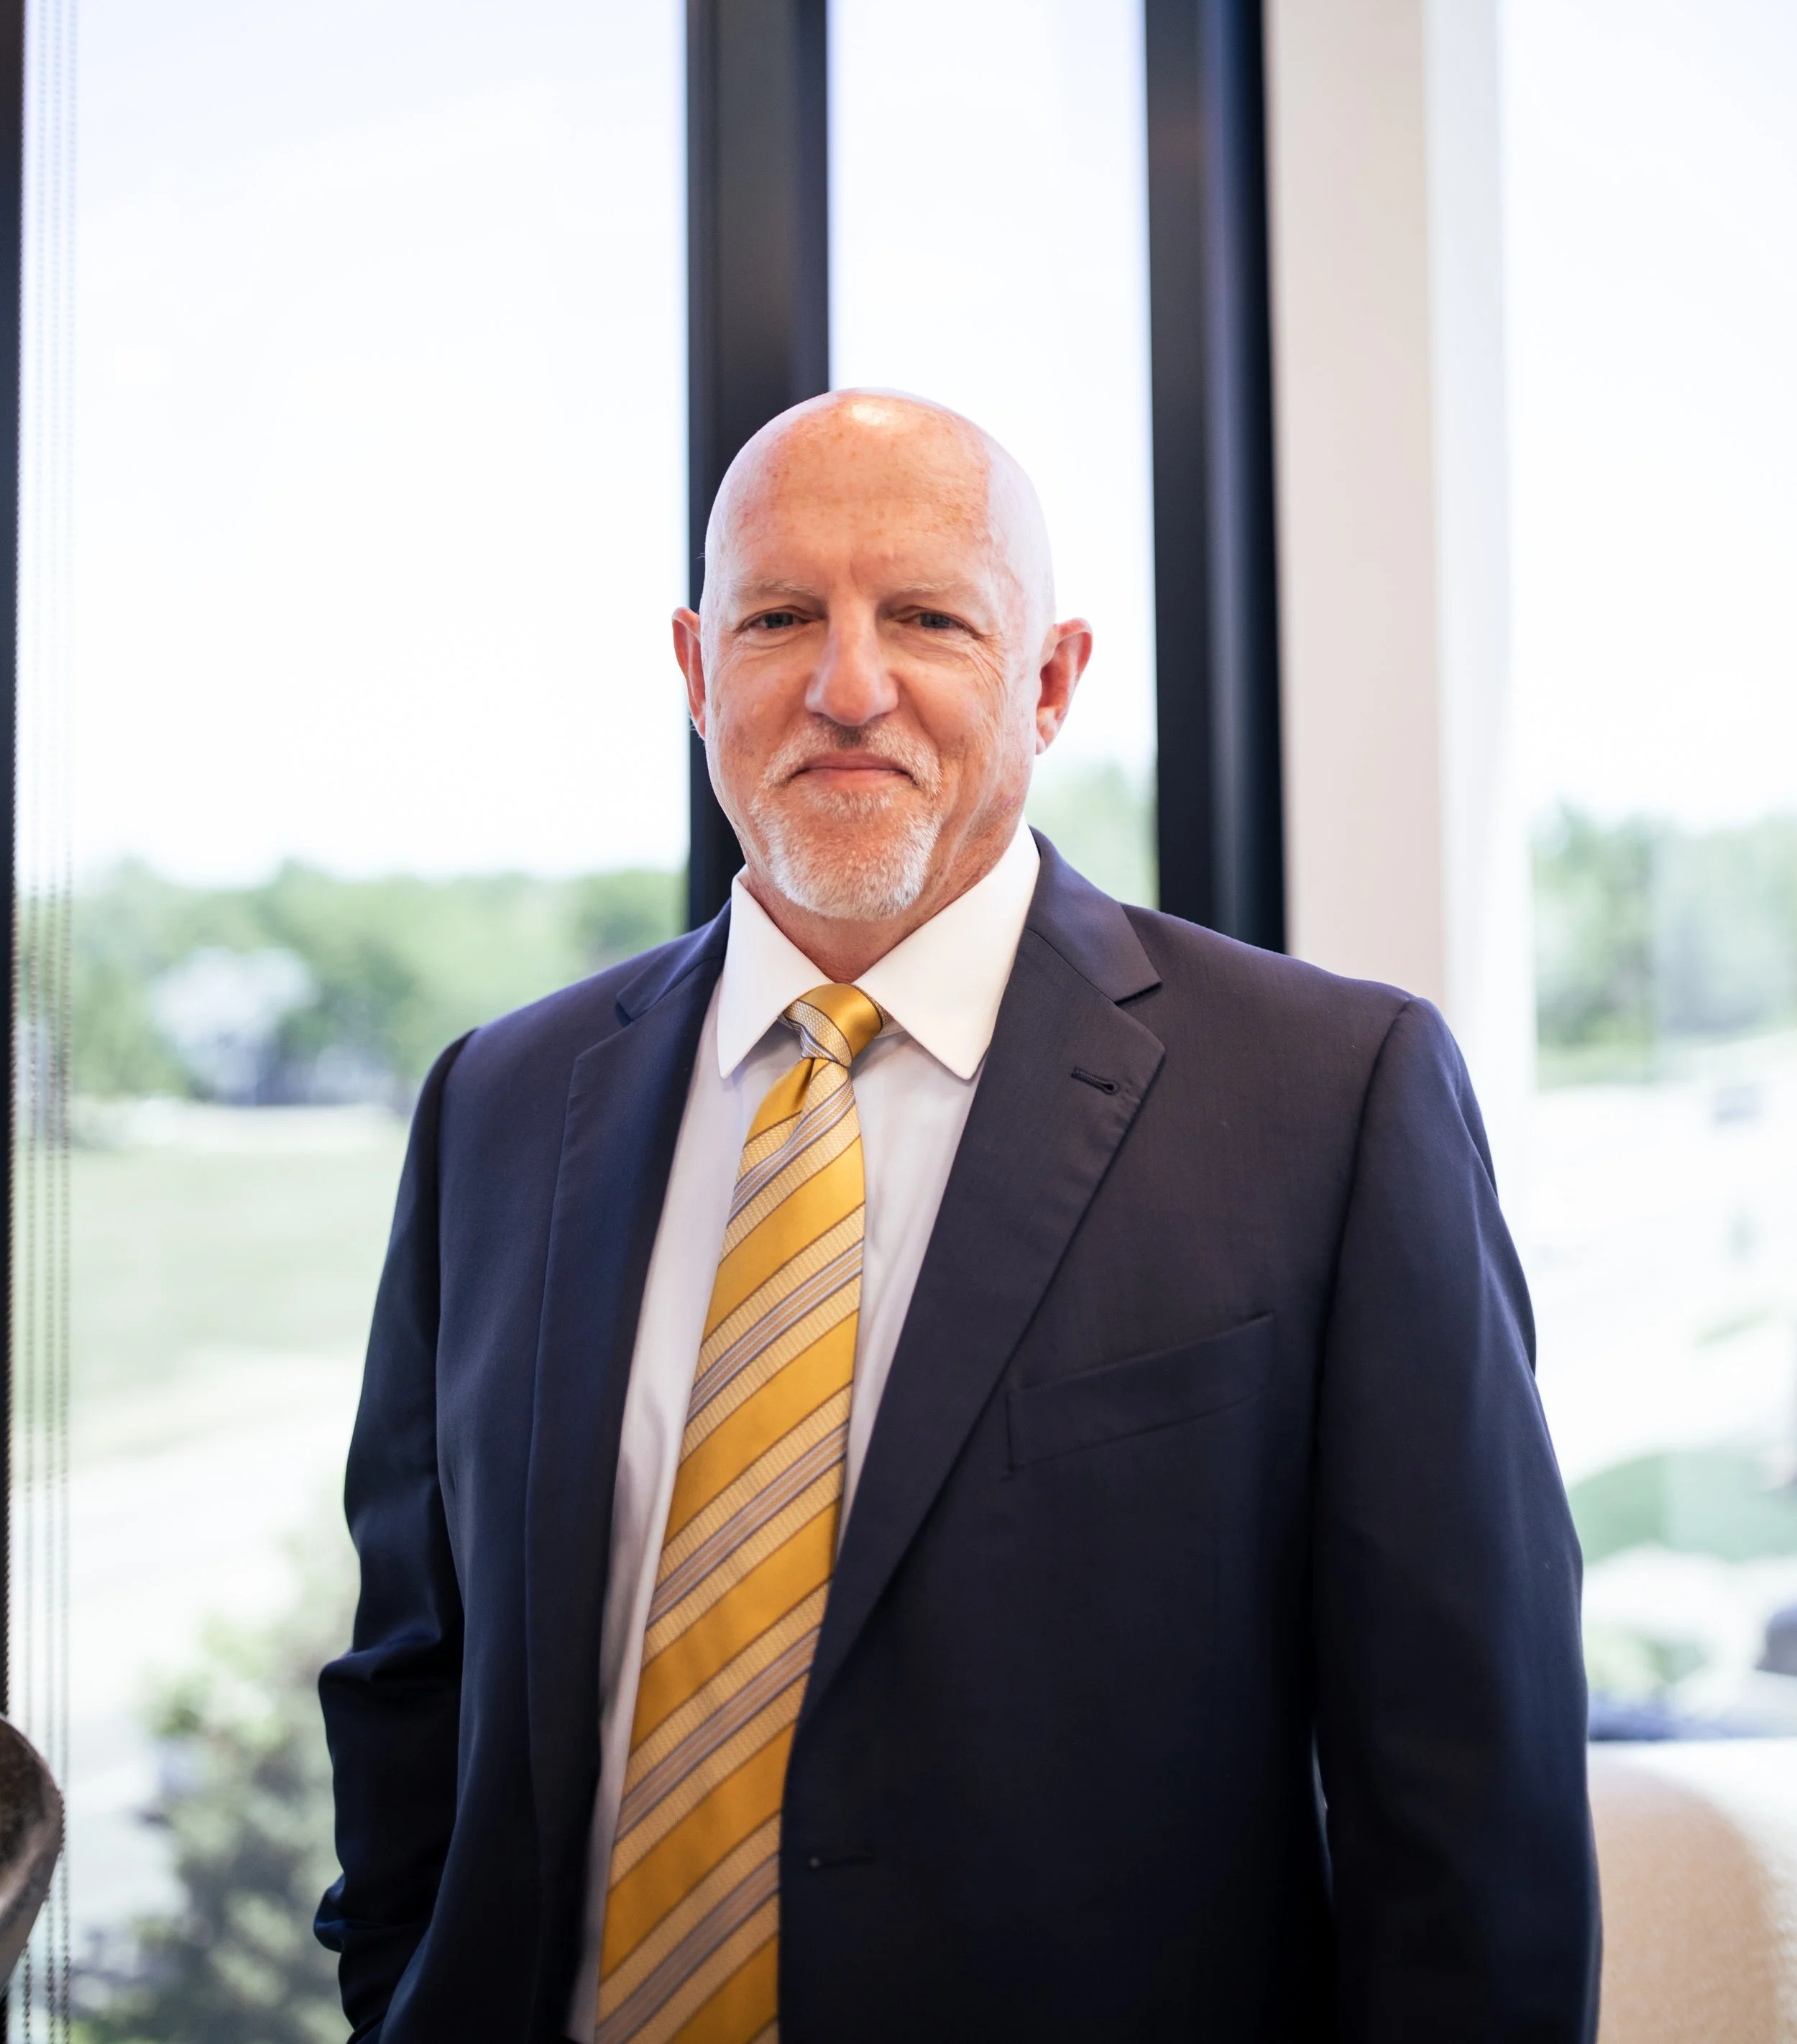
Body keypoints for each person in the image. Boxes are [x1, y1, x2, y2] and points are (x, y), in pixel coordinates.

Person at [318, 390, 1599, 2044]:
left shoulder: (1328, 1099)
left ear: (1051, 680)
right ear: (699, 672)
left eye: (923, 617)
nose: (849, 688)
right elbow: (411, 1682)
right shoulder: (498, 1104)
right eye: (782, 619)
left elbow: (1467, 1797)